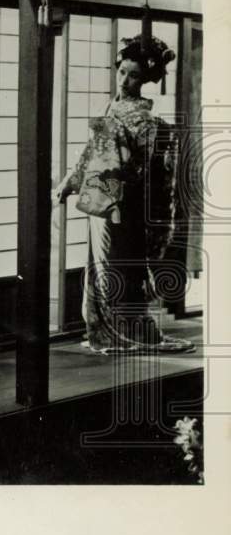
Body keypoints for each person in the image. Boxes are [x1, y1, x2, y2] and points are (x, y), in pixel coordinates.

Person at [54, 34, 192, 354]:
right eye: (122, 72)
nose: (125, 80)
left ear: (144, 79)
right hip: (102, 197)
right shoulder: (112, 106)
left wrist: (123, 180)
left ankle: (132, 335)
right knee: (101, 264)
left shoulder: (144, 118)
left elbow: (146, 167)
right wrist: (67, 183)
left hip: (124, 202)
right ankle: (105, 333)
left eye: (134, 75)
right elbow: (91, 153)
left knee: (121, 266)